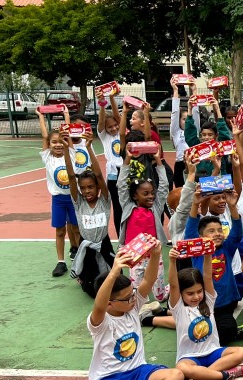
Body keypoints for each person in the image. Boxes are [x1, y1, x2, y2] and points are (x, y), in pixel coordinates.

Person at [86, 243, 183, 380]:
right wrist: (114, 271)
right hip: (110, 379)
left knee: (177, 375)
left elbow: (149, 279)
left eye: (132, 294)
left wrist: (155, 255)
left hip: (138, 371)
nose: (133, 299)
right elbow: (99, 305)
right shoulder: (101, 322)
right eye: (127, 298)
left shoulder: (132, 307)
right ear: (110, 303)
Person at [166, 249, 243, 380]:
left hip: (213, 352)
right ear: (181, 293)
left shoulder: (208, 302)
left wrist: (208, 255)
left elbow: (208, 277)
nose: (196, 296)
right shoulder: (178, 308)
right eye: (190, 293)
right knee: (182, 368)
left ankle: (200, 377)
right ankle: (225, 374)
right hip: (190, 358)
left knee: (241, 351)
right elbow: (173, 285)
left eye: (199, 291)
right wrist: (172, 261)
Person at [183, 185, 243, 345]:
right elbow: (189, 233)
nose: (217, 233)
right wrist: (195, 204)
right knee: (198, 333)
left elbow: (237, 233)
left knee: (227, 332)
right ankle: (161, 317)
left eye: (219, 230)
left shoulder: (227, 248)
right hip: (201, 303)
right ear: (200, 236)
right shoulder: (197, 249)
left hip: (225, 304)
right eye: (211, 231)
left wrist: (232, 206)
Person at [63, 131, 114, 298]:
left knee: (113, 285)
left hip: (104, 245)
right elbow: (71, 177)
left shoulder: (104, 201)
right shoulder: (79, 204)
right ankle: (83, 276)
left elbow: (99, 175)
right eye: (83, 188)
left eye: (90, 187)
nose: (87, 191)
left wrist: (89, 148)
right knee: (92, 290)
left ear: (98, 187)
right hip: (87, 247)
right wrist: (66, 150)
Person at [117, 145, 169, 302]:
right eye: (145, 193)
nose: (151, 196)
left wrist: (158, 161)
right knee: (138, 293)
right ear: (134, 195)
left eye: (152, 193)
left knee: (159, 294)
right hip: (134, 256)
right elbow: (120, 185)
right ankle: (141, 304)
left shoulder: (155, 207)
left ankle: (162, 292)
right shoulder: (128, 206)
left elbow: (164, 186)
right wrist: (127, 159)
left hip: (153, 255)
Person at [35, 110, 81, 277]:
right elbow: (44, 136)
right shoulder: (48, 157)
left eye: (61, 142)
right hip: (58, 199)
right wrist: (40, 116)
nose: (58, 145)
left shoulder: (70, 153)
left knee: (76, 229)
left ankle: (80, 258)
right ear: (49, 144)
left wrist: (66, 115)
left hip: (74, 199)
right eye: (54, 142)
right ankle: (61, 262)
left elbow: (67, 133)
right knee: (60, 230)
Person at [96, 91, 124, 235]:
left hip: (125, 172)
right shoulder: (104, 137)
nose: (113, 128)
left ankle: (130, 234)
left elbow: (118, 117)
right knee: (118, 207)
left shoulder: (121, 133)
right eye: (110, 127)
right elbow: (101, 122)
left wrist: (112, 97)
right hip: (113, 174)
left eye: (115, 126)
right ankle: (120, 238)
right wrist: (101, 104)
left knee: (129, 205)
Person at [169, 77, 190, 187]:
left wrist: (194, 90)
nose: (186, 122)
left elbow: (195, 114)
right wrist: (175, 91)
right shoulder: (176, 132)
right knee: (180, 193)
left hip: (193, 163)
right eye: (183, 119)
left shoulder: (193, 132)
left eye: (188, 119)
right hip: (180, 163)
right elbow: (175, 113)